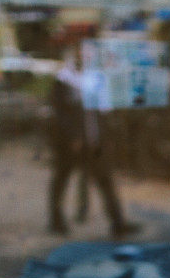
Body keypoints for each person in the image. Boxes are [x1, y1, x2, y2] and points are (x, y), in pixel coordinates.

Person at [47, 48, 138, 238]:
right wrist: (73, 137)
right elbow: (59, 113)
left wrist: (105, 139)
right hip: (71, 144)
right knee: (62, 180)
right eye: (81, 55)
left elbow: (101, 113)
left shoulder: (94, 80)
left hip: (94, 142)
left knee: (105, 180)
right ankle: (56, 220)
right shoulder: (63, 80)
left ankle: (118, 223)